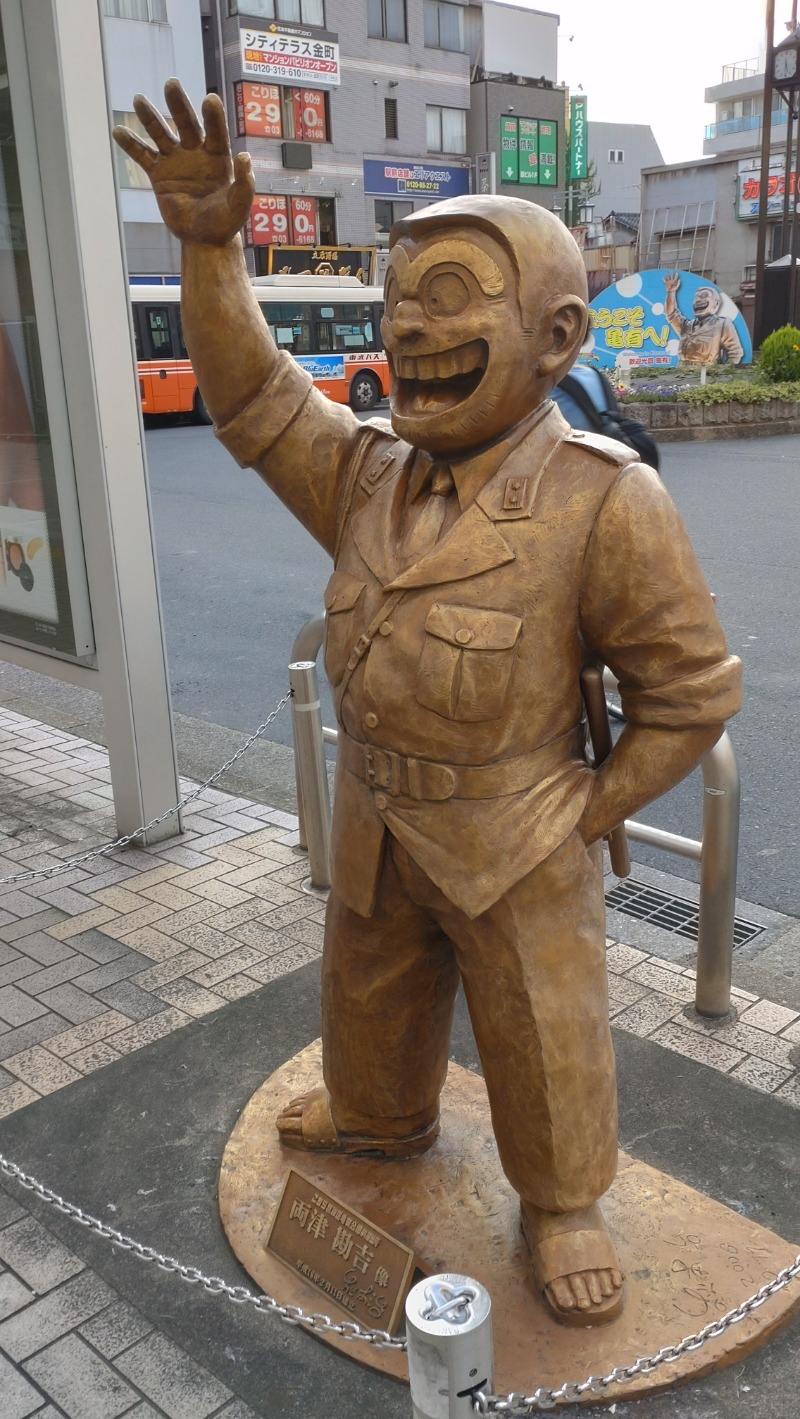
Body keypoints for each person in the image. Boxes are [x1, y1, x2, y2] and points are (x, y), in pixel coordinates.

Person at [114, 84, 742, 1330]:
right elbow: (250, 400)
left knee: (540, 1028)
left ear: (557, 336)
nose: (410, 327)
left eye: (451, 297)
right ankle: (380, 1117)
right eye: (403, 303)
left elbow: (684, 698)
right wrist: (208, 246)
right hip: (378, 814)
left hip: (518, 830)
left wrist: (584, 809)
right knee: (368, 992)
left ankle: (562, 1205)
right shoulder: (367, 474)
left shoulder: (602, 502)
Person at [663, 274, 744, 366]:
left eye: (704, 296)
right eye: (696, 297)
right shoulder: (686, 326)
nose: (698, 300)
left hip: (706, 374)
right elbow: (671, 314)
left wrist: (721, 373)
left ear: (716, 304)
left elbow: (735, 353)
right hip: (682, 374)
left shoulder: (722, 324)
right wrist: (671, 291)